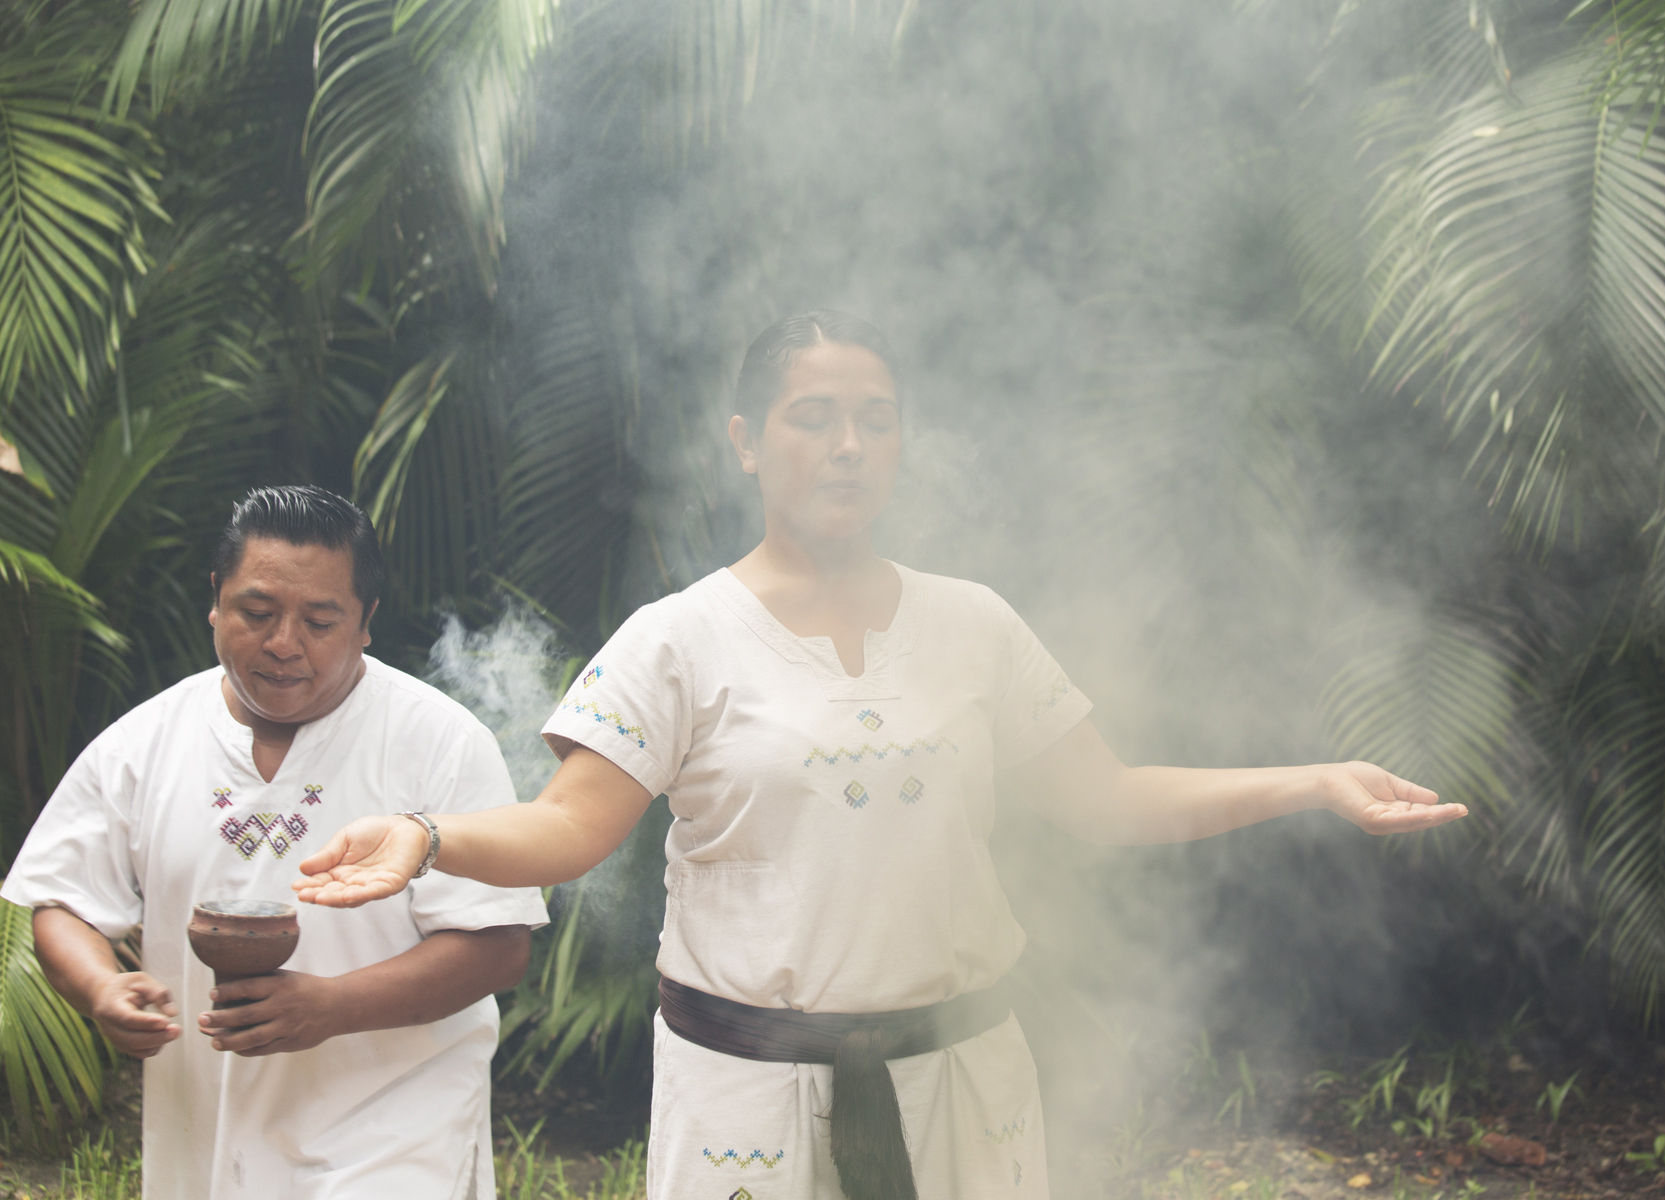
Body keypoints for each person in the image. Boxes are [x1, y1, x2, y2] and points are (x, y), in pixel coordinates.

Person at [295, 312, 1467, 1200]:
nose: (849, 445)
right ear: (748, 441)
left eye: (877, 417)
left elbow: (1104, 799)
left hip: (958, 1081)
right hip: (751, 1094)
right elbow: (571, 827)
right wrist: (430, 840)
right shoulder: (679, 638)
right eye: (815, 417)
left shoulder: (974, 623)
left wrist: (1313, 781)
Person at [3, 485, 549, 1199]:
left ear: (366, 622)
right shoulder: (144, 744)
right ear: (216, 599)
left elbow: (498, 941)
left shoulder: (438, 742)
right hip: (206, 1124)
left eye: (320, 620)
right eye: (256, 613)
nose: (284, 643)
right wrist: (102, 988)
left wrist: (332, 1006)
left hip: (394, 1126)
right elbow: (63, 901)